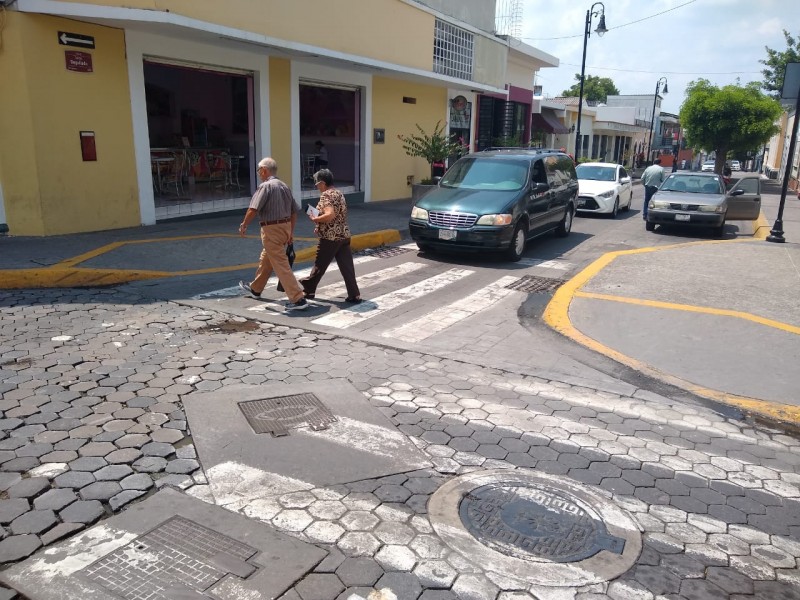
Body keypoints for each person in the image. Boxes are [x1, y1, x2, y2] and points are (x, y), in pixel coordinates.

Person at [238, 157, 308, 311]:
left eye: (259, 170)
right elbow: (294, 212)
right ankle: (256, 288)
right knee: (267, 258)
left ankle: (298, 298)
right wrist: (290, 232)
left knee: (280, 264)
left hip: (271, 229)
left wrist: (244, 225)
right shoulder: (284, 186)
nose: (258, 174)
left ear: (264, 170)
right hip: (284, 227)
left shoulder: (265, 186)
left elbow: (253, 208)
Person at [300, 169, 361, 304]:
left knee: (319, 264)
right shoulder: (339, 193)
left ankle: (308, 288)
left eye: (316, 184)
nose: (316, 187)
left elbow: (330, 214)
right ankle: (354, 294)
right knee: (347, 267)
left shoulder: (326, 195)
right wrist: (319, 223)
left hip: (330, 236)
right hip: (343, 235)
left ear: (322, 183)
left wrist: (316, 220)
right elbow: (337, 215)